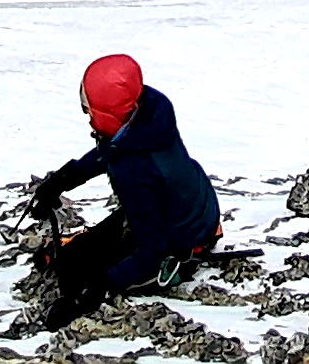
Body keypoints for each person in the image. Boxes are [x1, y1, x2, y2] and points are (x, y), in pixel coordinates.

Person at [30, 53, 219, 325]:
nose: (87, 116)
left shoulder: (136, 171)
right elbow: (113, 151)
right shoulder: (148, 113)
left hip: (181, 234)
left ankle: (191, 252)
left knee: (78, 269)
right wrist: (63, 179)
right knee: (81, 254)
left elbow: (152, 251)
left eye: (89, 109)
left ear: (108, 115)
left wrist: (98, 289)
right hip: (192, 205)